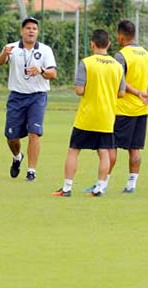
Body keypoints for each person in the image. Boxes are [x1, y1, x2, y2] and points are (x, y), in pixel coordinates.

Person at [84, 20, 148, 194]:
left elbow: (119, 80)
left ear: (120, 36)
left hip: (121, 109)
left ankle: (102, 184)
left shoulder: (121, 56)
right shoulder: (146, 55)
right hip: (141, 110)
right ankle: (131, 185)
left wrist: (136, 93)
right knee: (134, 149)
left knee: (110, 147)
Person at [53, 29, 125, 197]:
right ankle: (100, 188)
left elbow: (79, 90)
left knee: (73, 150)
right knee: (104, 152)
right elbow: (121, 93)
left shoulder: (86, 63)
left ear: (92, 44)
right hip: (106, 116)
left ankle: (67, 188)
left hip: (87, 116)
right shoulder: (117, 66)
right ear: (108, 44)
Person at [0, 17, 57, 182]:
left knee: (34, 133)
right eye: (28, 28)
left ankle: (31, 171)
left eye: (34, 29)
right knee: (12, 137)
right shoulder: (12, 47)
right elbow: (0, 62)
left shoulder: (45, 50)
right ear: (22, 31)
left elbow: (53, 74)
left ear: (37, 32)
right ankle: (17, 157)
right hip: (16, 96)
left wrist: (41, 70)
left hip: (37, 97)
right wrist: (4, 54)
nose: (31, 31)